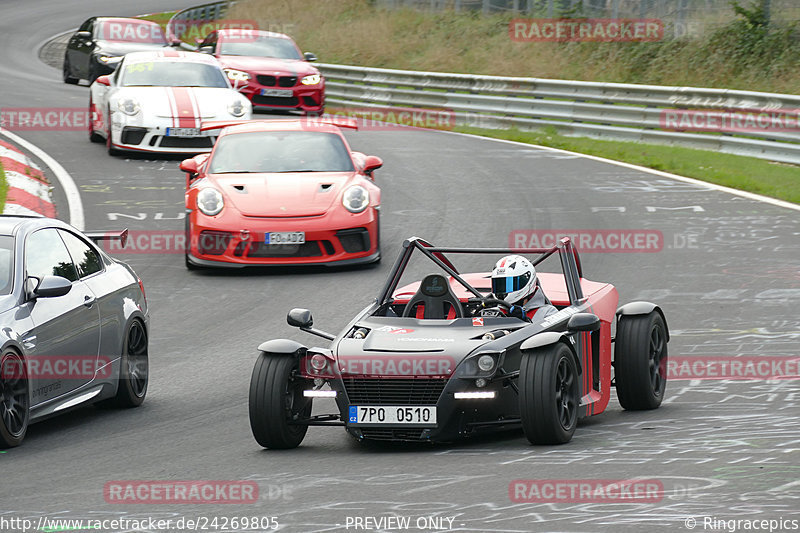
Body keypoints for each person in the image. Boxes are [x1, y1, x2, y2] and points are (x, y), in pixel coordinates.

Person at [489, 255, 557, 321]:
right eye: (499, 285)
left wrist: (523, 321)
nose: (503, 289)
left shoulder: (548, 313)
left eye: (509, 284)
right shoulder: (492, 312)